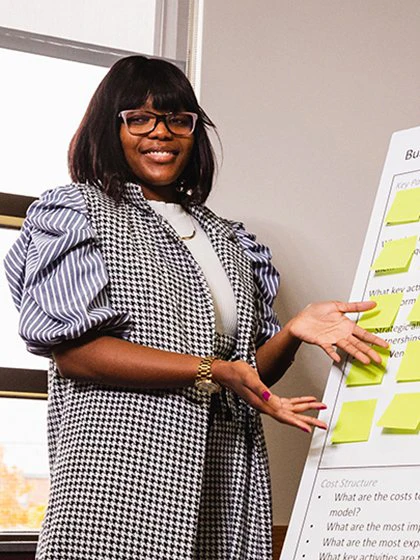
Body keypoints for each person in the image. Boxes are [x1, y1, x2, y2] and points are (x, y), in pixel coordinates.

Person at [4, 55, 387, 560]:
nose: (160, 133)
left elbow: (245, 376)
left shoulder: (228, 239)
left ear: (194, 132)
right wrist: (214, 369)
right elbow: (76, 352)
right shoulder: (77, 212)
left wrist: (293, 331)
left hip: (224, 481)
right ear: (108, 127)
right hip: (120, 486)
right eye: (138, 119)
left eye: (178, 119)